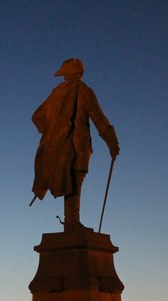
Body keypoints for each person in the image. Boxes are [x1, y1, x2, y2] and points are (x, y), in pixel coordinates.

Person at [32, 58, 120, 231]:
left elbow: (38, 117)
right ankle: (72, 221)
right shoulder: (84, 91)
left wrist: (52, 131)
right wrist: (112, 143)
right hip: (77, 146)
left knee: (70, 180)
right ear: (78, 73)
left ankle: (71, 221)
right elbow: (99, 119)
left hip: (58, 146)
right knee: (74, 180)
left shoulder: (56, 93)